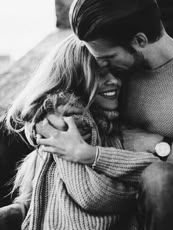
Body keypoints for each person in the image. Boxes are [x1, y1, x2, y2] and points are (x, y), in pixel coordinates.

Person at [35, 0, 173, 229]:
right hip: (111, 201)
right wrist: (49, 123)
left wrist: (161, 146)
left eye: (108, 58)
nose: (102, 66)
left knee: (161, 179)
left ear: (140, 40)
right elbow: (47, 96)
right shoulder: (113, 67)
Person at [0, 35, 161, 230]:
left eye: (116, 73)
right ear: (74, 79)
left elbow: (74, 196)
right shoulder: (59, 127)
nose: (114, 81)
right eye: (100, 74)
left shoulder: (111, 130)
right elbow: (77, 196)